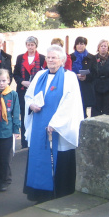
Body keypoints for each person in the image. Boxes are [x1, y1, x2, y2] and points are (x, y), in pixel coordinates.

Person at [23, 45, 83, 203]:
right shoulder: (40, 75)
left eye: (54, 57)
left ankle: (58, 194)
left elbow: (70, 102)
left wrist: (56, 123)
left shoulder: (69, 77)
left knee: (57, 159)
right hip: (38, 126)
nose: (50, 60)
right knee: (38, 158)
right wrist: (31, 105)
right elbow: (28, 96)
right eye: (48, 57)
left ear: (62, 60)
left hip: (58, 130)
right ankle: (38, 193)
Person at [0, 68, 20, 192]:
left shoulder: (13, 94)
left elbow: (16, 113)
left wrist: (16, 129)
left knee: (6, 159)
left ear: (9, 81)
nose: (1, 83)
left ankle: (5, 181)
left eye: (4, 80)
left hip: (7, 131)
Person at [13, 36, 43, 148]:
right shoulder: (20, 58)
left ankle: (35, 140)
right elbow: (15, 74)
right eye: (28, 45)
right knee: (24, 114)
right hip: (22, 91)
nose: (30, 47)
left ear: (36, 46)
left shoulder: (42, 58)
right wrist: (22, 82)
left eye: (32, 45)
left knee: (36, 114)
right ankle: (24, 142)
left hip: (37, 92)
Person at [70, 36, 96, 118]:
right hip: (73, 86)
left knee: (83, 109)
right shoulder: (70, 57)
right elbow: (67, 71)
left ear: (85, 45)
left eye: (81, 44)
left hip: (86, 86)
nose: (79, 46)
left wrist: (86, 77)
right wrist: (75, 75)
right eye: (77, 44)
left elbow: (95, 73)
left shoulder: (91, 57)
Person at [91, 39, 109, 116]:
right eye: (101, 46)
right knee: (95, 109)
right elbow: (91, 72)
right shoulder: (93, 59)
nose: (103, 48)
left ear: (108, 48)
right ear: (98, 48)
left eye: (105, 46)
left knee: (107, 110)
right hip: (96, 87)